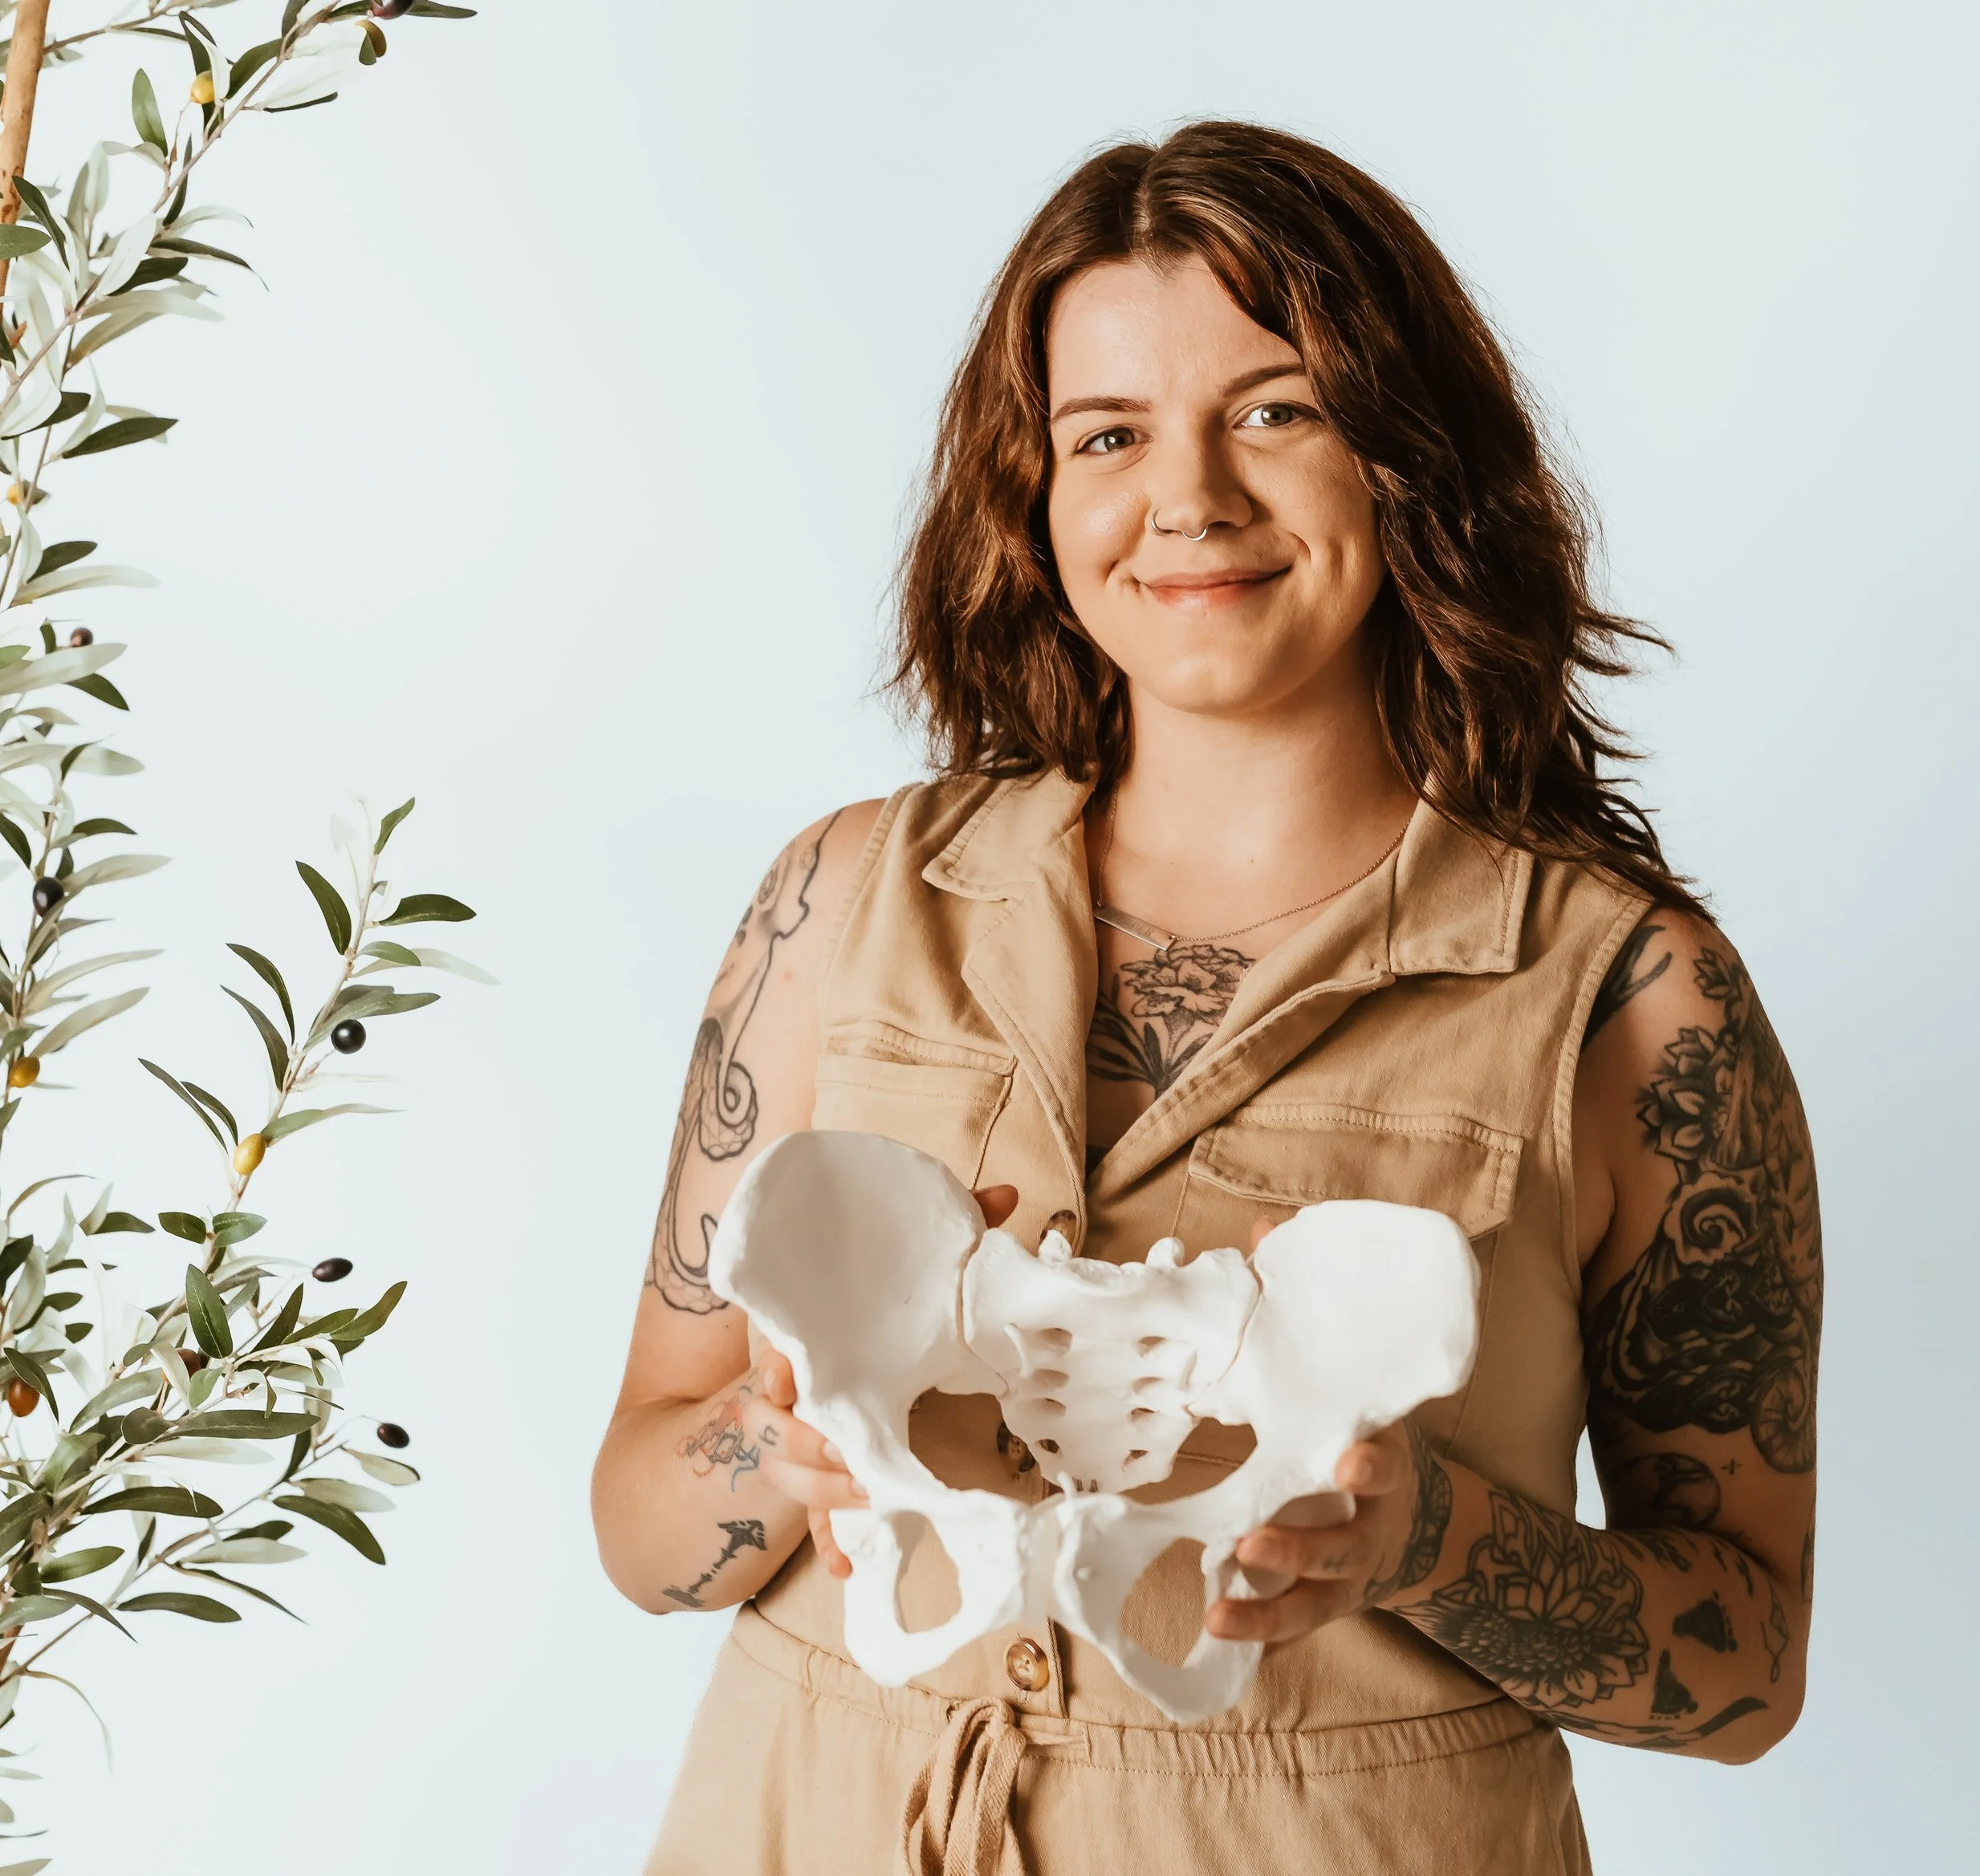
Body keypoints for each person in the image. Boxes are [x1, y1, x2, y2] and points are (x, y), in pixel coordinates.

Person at [591, 120, 1820, 1876]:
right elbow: (635, 1530)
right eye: (1108, 434)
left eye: (1274, 408)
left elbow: (1747, 1665)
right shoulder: (840, 899)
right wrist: (775, 1436)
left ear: (1408, 457)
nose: (1188, 499)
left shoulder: (1629, 998)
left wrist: (1429, 1539)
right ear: (1036, 494)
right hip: (801, 1816)